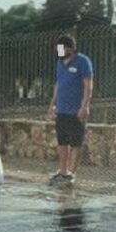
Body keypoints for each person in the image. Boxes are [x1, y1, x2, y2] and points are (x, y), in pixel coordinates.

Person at [47, 35, 94, 185]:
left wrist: (84, 106)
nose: (58, 51)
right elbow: (58, 85)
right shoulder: (59, 64)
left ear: (70, 48)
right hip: (62, 110)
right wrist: (51, 105)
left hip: (76, 110)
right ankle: (62, 171)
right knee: (62, 142)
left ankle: (71, 174)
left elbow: (88, 85)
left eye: (61, 48)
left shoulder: (83, 61)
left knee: (76, 143)